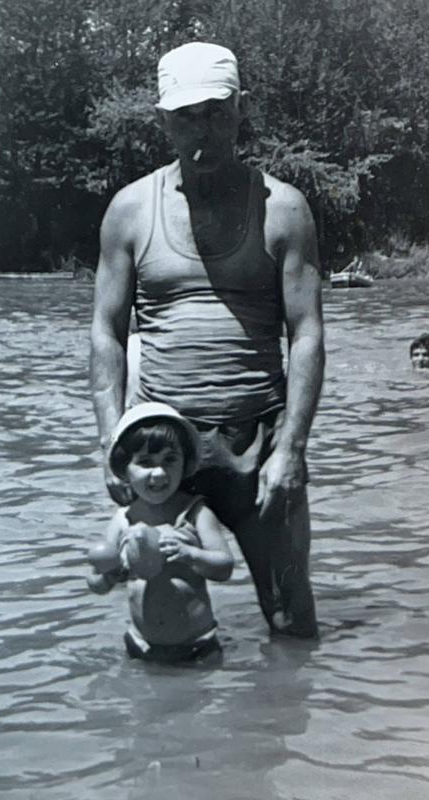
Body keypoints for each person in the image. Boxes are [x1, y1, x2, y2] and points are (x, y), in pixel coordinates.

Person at [89, 42, 325, 638]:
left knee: (291, 618)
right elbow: (106, 331)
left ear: (240, 109)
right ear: (163, 119)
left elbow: (306, 333)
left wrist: (292, 448)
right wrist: (111, 440)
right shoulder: (129, 211)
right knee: (164, 624)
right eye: (187, 114)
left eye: (217, 111)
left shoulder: (285, 210)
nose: (204, 128)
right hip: (162, 449)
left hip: (260, 441)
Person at [86, 402, 234, 662]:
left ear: (185, 463)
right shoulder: (123, 520)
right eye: (145, 462)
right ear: (124, 469)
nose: (159, 472)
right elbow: (95, 582)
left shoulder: (195, 514)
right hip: (141, 646)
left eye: (170, 460)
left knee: (206, 698)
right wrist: (108, 577)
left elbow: (225, 567)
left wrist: (190, 554)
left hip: (198, 646)